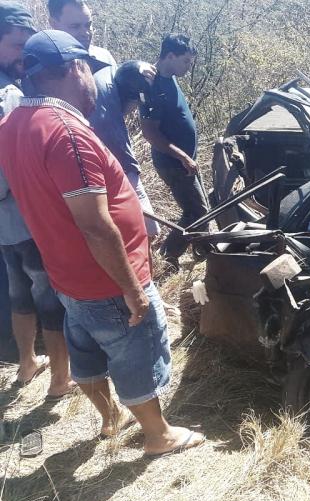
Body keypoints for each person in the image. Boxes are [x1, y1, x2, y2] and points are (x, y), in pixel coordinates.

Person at [0, 29, 204, 454]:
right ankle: (157, 434)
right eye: (89, 71)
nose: (93, 82)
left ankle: (111, 419)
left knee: (88, 352)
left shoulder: (13, 124)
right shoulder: (67, 135)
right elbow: (94, 225)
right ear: (75, 68)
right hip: (105, 278)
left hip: (66, 273)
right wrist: (132, 289)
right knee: (133, 353)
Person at [0, 2, 73, 398]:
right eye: (15, 46)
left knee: (19, 292)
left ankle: (28, 363)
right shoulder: (7, 97)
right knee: (48, 296)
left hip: (7, 226)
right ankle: (61, 380)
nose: (23, 57)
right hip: (27, 218)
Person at [48, 0, 160, 240]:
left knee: (149, 232)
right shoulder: (47, 73)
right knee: (111, 242)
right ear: (53, 24)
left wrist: (137, 86)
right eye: (75, 26)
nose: (85, 32)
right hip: (85, 179)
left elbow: (117, 110)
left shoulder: (104, 57)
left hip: (123, 164)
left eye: (89, 25)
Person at [140, 33, 207, 271]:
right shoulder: (153, 86)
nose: (189, 67)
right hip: (173, 162)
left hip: (186, 160)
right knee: (196, 211)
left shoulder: (169, 78)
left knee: (204, 208)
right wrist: (183, 156)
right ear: (170, 56)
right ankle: (168, 255)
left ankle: (205, 250)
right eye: (186, 61)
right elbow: (150, 132)